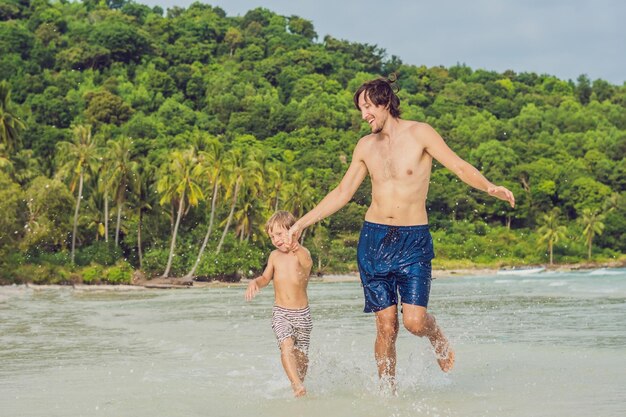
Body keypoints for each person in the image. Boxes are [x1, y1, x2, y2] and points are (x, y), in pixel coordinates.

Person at [285, 76, 515, 390]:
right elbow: (342, 192)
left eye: (367, 107)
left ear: (384, 102)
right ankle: (387, 395)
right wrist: (301, 223)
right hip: (374, 242)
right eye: (360, 109)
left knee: (414, 322)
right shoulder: (365, 146)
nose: (363, 115)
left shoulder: (420, 134)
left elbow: (459, 166)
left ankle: (436, 336)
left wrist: (489, 187)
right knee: (386, 326)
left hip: (414, 241)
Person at [245, 210, 314, 397]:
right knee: (286, 347)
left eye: (280, 234)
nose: (276, 239)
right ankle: (296, 386)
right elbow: (266, 277)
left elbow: (307, 263)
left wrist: (295, 246)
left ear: (294, 232)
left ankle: (300, 385)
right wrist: (256, 282)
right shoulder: (274, 256)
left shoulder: (302, 254)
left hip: (303, 315)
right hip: (281, 312)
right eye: (272, 236)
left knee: (302, 357)